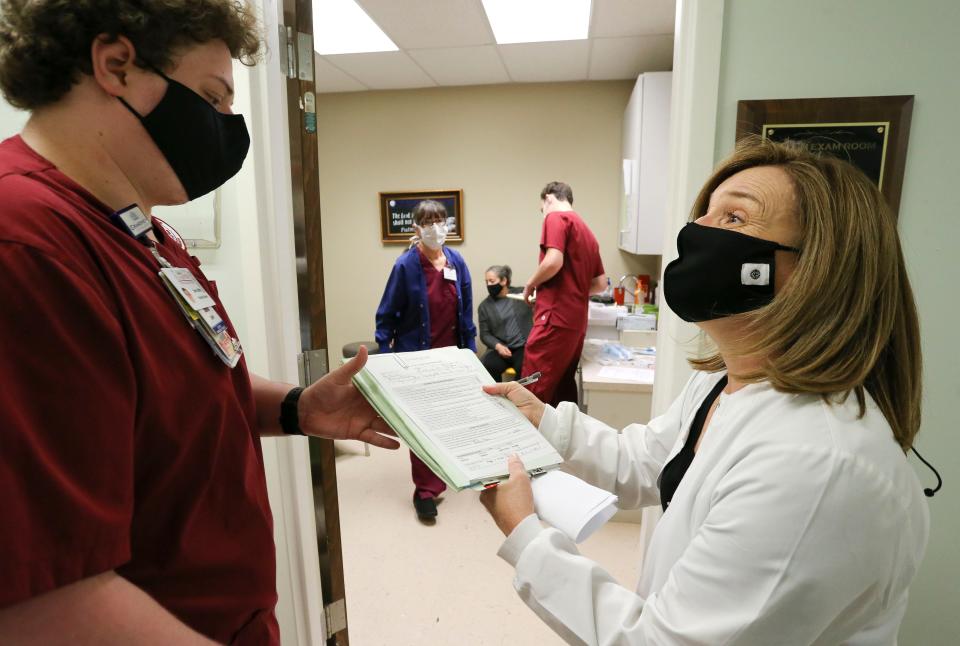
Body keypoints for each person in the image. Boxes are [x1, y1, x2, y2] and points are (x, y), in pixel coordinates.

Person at [0, 3, 399, 644]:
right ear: (116, 65)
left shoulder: (141, 230)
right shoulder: (26, 246)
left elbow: (182, 384)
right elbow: (43, 600)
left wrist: (298, 408)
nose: (224, 128)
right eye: (212, 98)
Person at [479, 139, 929, 644]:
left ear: (819, 270)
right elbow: (647, 462)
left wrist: (526, 535)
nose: (697, 232)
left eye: (735, 219)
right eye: (705, 214)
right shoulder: (724, 385)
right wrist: (545, 419)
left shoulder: (816, 462)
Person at [375, 199, 477, 520]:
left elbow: (467, 311)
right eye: (428, 222)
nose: (436, 227)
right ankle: (425, 490)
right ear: (416, 228)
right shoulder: (406, 266)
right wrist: (388, 359)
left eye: (440, 220)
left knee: (448, 419)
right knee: (421, 423)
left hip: (451, 355)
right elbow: (386, 316)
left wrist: (470, 354)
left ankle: (446, 473)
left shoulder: (456, 261)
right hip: (416, 357)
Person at [521, 181, 606, 407]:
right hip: (575, 324)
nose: (543, 214)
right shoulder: (588, 232)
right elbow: (600, 284)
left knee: (532, 391)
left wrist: (530, 284)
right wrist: (573, 290)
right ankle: (561, 442)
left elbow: (553, 261)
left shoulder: (556, 217)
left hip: (554, 318)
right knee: (561, 389)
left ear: (549, 198)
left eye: (542, 209)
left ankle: (525, 442)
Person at [478, 264, 532, 382]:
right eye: (486, 281)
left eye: (492, 281)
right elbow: (485, 334)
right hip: (501, 348)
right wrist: (498, 346)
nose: (488, 285)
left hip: (522, 347)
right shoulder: (484, 306)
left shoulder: (521, 294)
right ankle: (497, 398)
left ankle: (518, 398)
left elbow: (540, 300)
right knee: (488, 365)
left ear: (503, 281)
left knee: (525, 368)